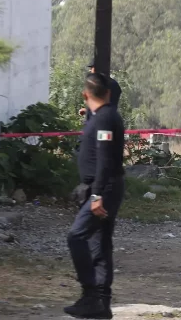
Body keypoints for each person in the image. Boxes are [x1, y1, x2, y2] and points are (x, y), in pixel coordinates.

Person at [65, 73, 125, 319]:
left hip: (104, 189)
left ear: (85, 94)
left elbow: (104, 158)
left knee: (76, 236)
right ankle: (102, 304)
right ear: (109, 93)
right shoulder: (102, 116)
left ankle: (91, 295)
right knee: (99, 245)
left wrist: (97, 194)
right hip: (102, 187)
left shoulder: (105, 118)